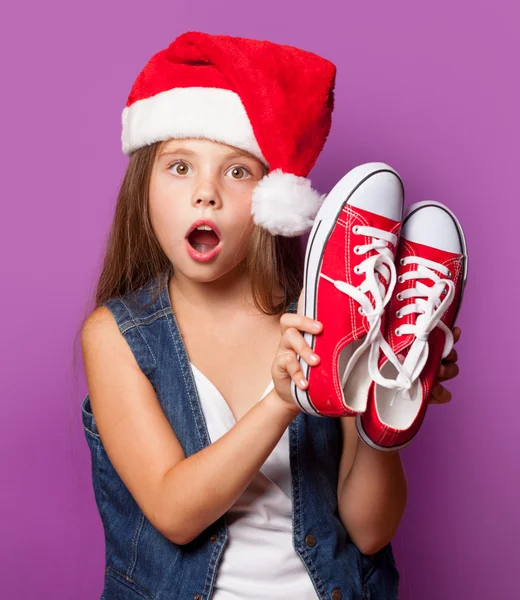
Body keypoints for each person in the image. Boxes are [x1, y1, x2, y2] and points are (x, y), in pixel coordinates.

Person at [80, 31, 461, 600]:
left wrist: (387, 427)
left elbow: (369, 530)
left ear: (269, 198)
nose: (205, 194)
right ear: (144, 188)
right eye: (179, 167)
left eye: (237, 172)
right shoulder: (116, 336)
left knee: (374, 381)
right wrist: (284, 399)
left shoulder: (328, 316)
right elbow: (175, 511)